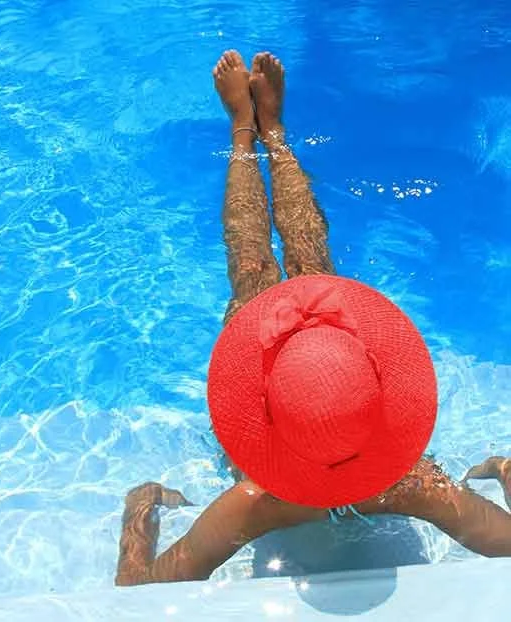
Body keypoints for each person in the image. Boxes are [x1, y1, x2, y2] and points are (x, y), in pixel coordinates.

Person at [115, 50, 511, 586]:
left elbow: (137, 591)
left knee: (254, 265)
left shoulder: (255, 503)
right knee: (303, 257)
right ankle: (273, 133)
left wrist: (140, 508)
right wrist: (504, 470)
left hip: (298, 365)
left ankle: (244, 133)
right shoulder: (412, 484)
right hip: (324, 359)